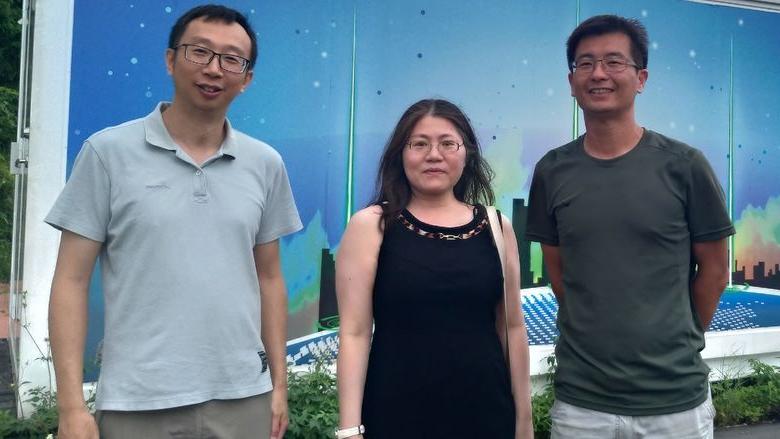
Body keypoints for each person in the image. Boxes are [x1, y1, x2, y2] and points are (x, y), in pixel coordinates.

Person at [46, 4, 302, 439]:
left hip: (243, 398)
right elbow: (70, 281)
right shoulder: (107, 153)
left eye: (231, 59)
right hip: (137, 402)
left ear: (247, 78)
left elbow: (270, 279)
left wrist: (278, 385)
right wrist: (71, 406)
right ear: (170, 60)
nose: (213, 69)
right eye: (199, 52)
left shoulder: (265, 164)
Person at [525, 15, 734, 438]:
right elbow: (560, 272)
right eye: (585, 64)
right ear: (571, 82)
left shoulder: (684, 166)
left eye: (613, 62)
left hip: (674, 402)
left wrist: (682, 334)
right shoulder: (552, 170)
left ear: (641, 78)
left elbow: (714, 270)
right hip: (582, 403)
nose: (598, 73)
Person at [335, 99, 533, 439]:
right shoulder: (372, 226)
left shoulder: (496, 226)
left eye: (447, 144)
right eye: (419, 144)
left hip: (486, 414)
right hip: (395, 415)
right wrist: (350, 429)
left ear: (466, 153)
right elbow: (354, 334)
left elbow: (511, 328)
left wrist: (524, 421)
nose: (434, 155)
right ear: (401, 153)